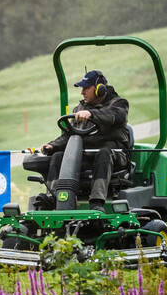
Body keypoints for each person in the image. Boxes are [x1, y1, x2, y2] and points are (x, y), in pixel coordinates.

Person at [36, 70, 130, 211]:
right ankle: (52, 198)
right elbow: (70, 135)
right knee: (58, 156)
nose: (82, 92)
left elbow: (116, 116)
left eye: (86, 88)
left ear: (99, 89)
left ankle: (97, 202)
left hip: (115, 155)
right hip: (86, 156)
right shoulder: (79, 109)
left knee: (104, 153)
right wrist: (52, 145)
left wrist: (92, 114)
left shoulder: (119, 104)